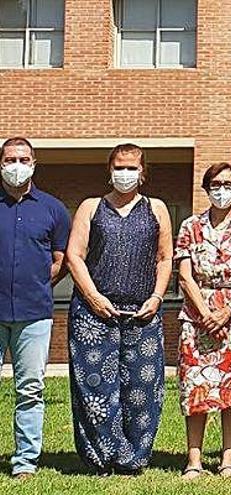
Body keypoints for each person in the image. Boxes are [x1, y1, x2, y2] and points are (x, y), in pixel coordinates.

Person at [66, 143, 173, 474]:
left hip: (143, 314)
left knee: (142, 389)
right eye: (119, 167)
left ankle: (135, 457)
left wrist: (156, 297)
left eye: (132, 168)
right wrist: (94, 297)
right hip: (93, 314)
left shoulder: (156, 208)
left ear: (143, 172)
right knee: (95, 387)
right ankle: (103, 457)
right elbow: (74, 256)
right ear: (109, 170)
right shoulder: (90, 207)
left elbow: (165, 257)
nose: (124, 173)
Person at [175, 162, 231, 479]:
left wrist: (227, 310)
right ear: (206, 187)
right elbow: (185, 277)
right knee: (196, 387)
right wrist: (205, 313)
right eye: (216, 183)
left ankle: (228, 459)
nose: (222, 190)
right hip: (197, 314)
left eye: (229, 184)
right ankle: (194, 460)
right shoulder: (189, 226)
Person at [0, 137, 70, 478]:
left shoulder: (53, 209)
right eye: (10, 159)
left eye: (23, 159)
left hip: (35, 315)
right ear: (1, 164)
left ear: (34, 163)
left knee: (30, 390)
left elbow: (60, 261)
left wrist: (37, 286)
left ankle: (25, 461)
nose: (16, 165)